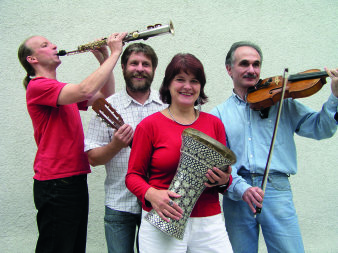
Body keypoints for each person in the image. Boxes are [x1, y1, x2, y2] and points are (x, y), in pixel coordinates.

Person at [210, 41, 338, 253]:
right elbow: (221, 165)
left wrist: (335, 97)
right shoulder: (219, 114)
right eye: (244, 64)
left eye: (256, 64)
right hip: (238, 194)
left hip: (276, 189)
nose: (251, 70)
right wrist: (242, 188)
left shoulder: (282, 102)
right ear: (229, 69)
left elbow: (321, 128)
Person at [18, 32, 126, 253]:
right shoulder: (38, 86)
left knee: (74, 246)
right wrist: (116, 53)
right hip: (56, 182)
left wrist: (104, 59)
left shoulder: (61, 91)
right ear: (33, 59)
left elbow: (106, 97)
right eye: (45, 45)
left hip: (73, 178)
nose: (54, 45)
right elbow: (85, 90)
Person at [125, 53, 234, 253]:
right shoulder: (149, 126)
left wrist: (224, 180)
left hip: (208, 222)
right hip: (163, 218)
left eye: (194, 81)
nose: (187, 86)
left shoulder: (214, 124)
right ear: (168, 84)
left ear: (201, 86)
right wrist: (151, 194)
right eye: (180, 79)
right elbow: (133, 176)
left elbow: (226, 177)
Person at [84, 42, 167, 253]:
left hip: (159, 204)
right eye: (134, 63)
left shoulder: (168, 106)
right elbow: (92, 157)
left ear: (154, 70)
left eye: (146, 64)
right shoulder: (107, 107)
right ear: (123, 67)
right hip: (119, 204)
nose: (140, 68)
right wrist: (115, 145)